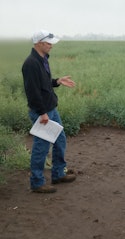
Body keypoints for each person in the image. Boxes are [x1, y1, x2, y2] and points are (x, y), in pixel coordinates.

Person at [22, 30, 77, 193]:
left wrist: (57, 81)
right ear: (38, 43)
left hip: (50, 109)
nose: (51, 46)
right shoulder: (31, 63)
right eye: (48, 43)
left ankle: (58, 174)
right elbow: (32, 91)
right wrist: (42, 112)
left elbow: (44, 83)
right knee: (42, 147)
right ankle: (37, 183)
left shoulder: (42, 59)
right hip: (43, 112)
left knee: (60, 140)